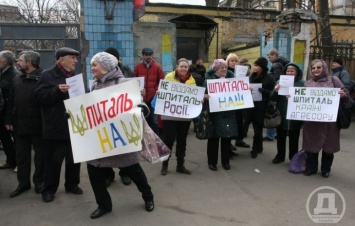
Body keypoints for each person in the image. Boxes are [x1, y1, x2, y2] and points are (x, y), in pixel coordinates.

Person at [87, 52, 154, 219]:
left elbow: (141, 106)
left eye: (95, 64)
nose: (92, 68)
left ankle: (148, 197)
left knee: (134, 170)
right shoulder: (95, 85)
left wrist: (140, 108)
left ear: (106, 66)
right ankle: (104, 205)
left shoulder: (123, 83)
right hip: (101, 138)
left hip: (120, 137)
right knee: (94, 171)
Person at [34, 47, 82, 203]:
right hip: (55, 127)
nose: (76, 61)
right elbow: (39, 97)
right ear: (62, 59)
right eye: (73, 57)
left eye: (76, 58)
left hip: (74, 125)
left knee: (74, 159)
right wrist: (56, 91)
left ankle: (72, 184)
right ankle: (48, 190)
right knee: (53, 162)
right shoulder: (47, 75)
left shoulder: (73, 76)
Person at [5, 51, 45, 198]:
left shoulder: (43, 77)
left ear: (29, 62)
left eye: (20, 60)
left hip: (38, 125)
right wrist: (8, 120)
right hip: (19, 125)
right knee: (21, 157)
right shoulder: (17, 78)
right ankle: (23, 184)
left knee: (40, 157)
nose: (17, 62)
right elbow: (11, 100)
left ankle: (39, 182)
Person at [302, 59, 347, 178]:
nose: (316, 70)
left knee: (329, 146)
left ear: (324, 68)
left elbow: (345, 93)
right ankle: (311, 168)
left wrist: (343, 95)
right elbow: (302, 99)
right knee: (311, 145)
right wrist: (291, 98)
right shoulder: (307, 83)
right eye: (313, 68)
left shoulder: (334, 80)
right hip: (312, 121)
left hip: (330, 122)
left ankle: (326, 169)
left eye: (318, 67)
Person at [160, 58, 196, 175]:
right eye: (181, 66)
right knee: (168, 140)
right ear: (177, 67)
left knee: (182, 141)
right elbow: (164, 91)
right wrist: (160, 93)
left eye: (186, 67)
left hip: (184, 116)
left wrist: (199, 99)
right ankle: (164, 165)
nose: (184, 69)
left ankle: (180, 165)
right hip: (170, 116)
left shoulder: (191, 80)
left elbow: (194, 96)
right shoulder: (169, 77)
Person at [102, 47, 133, 187]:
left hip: (122, 115)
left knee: (123, 147)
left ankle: (125, 172)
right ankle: (108, 175)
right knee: (107, 147)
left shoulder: (126, 71)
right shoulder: (100, 74)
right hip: (105, 117)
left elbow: (133, 88)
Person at [204, 59, 237, 171]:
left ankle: (225, 161)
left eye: (225, 67)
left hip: (227, 113)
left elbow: (238, 92)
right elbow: (202, 95)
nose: (224, 69)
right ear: (216, 69)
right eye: (221, 67)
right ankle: (212, 162)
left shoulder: (231, 80)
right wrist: (204, 96)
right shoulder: (209, 80)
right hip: (214, 113)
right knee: (213, 138)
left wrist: (247, 90)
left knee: (226, 138)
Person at [270, 63, 304, 164]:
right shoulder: (279, 82)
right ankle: (280, 156)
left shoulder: (302, 83)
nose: (289, 73)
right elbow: (272, 98)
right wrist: (275, 90)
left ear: (297, 72)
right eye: (288, 71)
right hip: (282, 114)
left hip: (295, 116)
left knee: (294, 138)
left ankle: (293, 158)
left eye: (292, 71)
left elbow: (305, 98)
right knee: (280, 137)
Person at [248, 57, 275, 159]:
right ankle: (259, 147)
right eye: (254, 65)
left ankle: (255, 149)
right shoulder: (252, 76)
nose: (255, 68)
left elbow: (273, 94)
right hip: (251, 105)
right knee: (255, 127)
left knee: (258, 129)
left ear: (262, 67)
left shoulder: (269, 78)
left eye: (257, 66)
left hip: (262, 107)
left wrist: (263, 91)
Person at [134, 48, 164, 135]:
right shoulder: (138, 68)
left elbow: (162, 81)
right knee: (141, 122)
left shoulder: (157, 68)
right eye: (146, 55)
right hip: (141, 100)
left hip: (153, 100)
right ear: (142, 56)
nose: (148, 57)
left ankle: (156, 144)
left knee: (154, 123)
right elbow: (133, 81)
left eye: (150, 55)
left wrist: (156, 89)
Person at [225, 53, 250, 150]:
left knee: (240, 121)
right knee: (231, 123)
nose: (234, 63)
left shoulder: (241, 72)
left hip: (239, 101)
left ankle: (239, 140)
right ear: (228, 62)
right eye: (232, 61)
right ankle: (229, 143)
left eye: (236, 61)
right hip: (229, 102)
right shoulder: (225, 72)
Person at [0, 50, 17, 170]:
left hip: (10, 112)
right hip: (2, 111)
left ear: (5, 61)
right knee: (4, 137)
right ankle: (10, 160)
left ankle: (19, 163)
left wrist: (10, 117)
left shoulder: (14, 75)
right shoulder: (1, 72)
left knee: (16, 139)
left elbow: (14, 97)